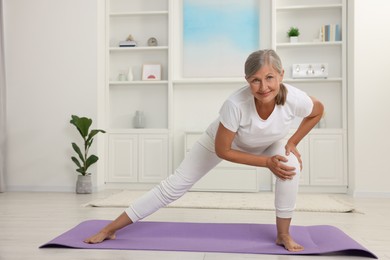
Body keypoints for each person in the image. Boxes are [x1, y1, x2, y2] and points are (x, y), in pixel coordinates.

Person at [84, 49, 324, 252]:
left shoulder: (295, 98)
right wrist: (266, 163)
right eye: (255, 80)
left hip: (271, 141)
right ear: (246, 80)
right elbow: (224, 151)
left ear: (281, 75)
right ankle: (110, 228)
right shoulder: (235, 105)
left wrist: (292, 143)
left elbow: (317, 111)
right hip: (219, 144)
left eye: (270, 77)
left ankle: (283, 235)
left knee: (290, 167)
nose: (263, 87)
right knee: (174, 186)